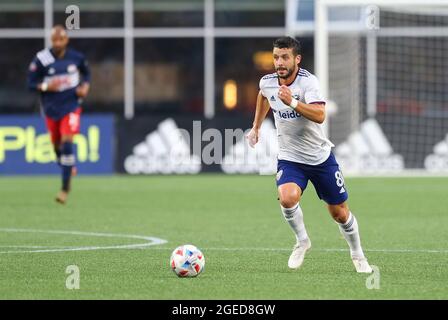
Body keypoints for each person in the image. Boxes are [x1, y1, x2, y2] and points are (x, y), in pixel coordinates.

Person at [246, 36, 372, 273]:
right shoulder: (268, 82)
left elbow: (320, 115)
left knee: (340, 213)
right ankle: (302, 241)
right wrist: (256, 128)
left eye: (284, 57)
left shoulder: (308, 83)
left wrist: (292, 102)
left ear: (297, 59)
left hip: (320, 157)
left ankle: (357, 254)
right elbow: (263, 96)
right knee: (287, 197)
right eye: (276, 57)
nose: (279, 62)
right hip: (290, 156)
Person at [27, 25, 90, 204]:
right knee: (56, 147)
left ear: (66, 40)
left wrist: (85, 87)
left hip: (71, 106)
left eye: (61, 39)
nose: (57, 43)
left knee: (67, 143)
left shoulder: (76, 58)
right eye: (54, 39)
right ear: (51, 40)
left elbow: (86, 73)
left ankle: (64, 188)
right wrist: (46, 86)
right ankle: (68, 167)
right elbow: (30, 84)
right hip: (51, 109)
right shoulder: (42, 59)